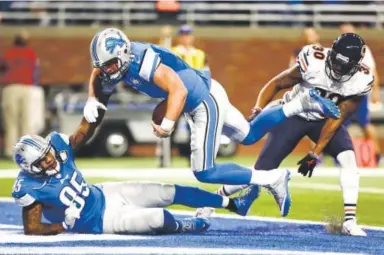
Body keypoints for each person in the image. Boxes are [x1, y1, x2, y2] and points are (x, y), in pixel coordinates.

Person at [76, 28, 340, 218]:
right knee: (248, 135)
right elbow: (98, 73)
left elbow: (177, 91)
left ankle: (272, 177)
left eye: (111, 65)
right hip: (206, 90)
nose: (108, 71)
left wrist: (167, 123)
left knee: (204, 171)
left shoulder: (141, 61)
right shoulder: (115, 63)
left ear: (123, 53)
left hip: (200, 100)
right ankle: (300, 103)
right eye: (104, 66)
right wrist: (91, 97)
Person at [215, 33, 372, 236]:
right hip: (293, 114)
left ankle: (350, 221)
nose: (337, 69)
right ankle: (217, 197)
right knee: (262, 170)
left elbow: (337, 118)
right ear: (331, 52)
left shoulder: (361, 80)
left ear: (356, 65)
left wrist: (315, 153)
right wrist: (259, 107)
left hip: (324, 120)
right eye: (336, 62)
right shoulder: (314, 62)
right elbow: (277, 83)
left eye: (344, 66)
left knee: (348, 159)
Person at [12, 132, 263, 236]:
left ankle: (233, 203)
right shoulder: (29, 187)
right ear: (30, 168)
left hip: (106, 192)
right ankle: (197, 223)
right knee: (158, 219)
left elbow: (82, 133)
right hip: (102, 222)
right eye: (42, 161)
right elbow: (32, 229)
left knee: (167, 191)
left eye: (48, 153)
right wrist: (62, 226)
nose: (49, 159)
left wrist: (94, 106)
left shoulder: (57, 144)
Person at [340, 23, 382, 165]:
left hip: (359, 91)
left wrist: (375, 90)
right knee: (340, 125)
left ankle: (377, 154)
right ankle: (342, 156)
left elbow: (372, 71)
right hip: (344, 93)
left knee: (365, 123)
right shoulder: (338, 49)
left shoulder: (363, 49)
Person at [0, 30, 44, 159]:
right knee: (26, 121)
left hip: (11, 87)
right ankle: (26, 152)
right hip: (28, 88)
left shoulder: (9, 53)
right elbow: (36, 72)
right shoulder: (32, 54)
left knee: (11, 121)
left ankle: (10, 151)